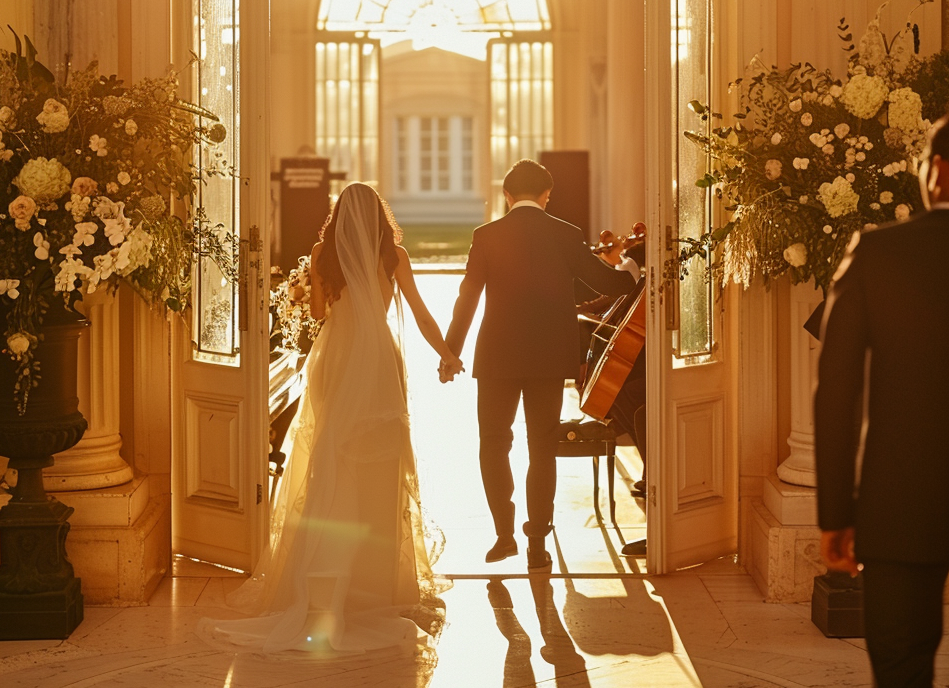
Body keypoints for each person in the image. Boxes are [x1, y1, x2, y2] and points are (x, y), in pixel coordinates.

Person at [200, 182, 463, 656]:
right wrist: (446, 354)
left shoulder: (324, 253)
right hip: (380, 361)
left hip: (337, 359)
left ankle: (325, 583)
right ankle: (379, 585)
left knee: (328, 460)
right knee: (383, 466)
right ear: (380, 216)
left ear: (340, 215)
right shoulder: (393, 255)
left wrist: (308, 293)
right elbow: (421, 315)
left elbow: (319, 313)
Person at [814, 114, 949, 688]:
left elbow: (834, 392)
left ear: (935, 173)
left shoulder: (879, 252)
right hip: (902, 511)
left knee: (901, 672)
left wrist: (836, 515)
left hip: (901, 508)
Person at [442, 159, 634, 573]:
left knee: (493, 443)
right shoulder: (565, 234)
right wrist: (631, 272)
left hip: (496, 355)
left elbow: (468, 297)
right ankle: (537, 543)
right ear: (547, 196)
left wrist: (451, 351)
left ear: (506, 195)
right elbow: (601, 281)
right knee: (542, 446)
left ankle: (504, 533)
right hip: (548, 356)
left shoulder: (486, 235)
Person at [578, 222, 649, 558]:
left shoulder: (644, 267)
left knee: (635, 402)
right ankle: (650, 471)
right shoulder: (642, 269)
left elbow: (622, 294)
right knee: (625, 395)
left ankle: (654, 483)